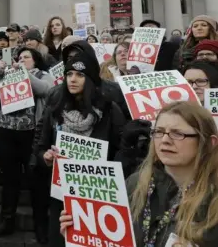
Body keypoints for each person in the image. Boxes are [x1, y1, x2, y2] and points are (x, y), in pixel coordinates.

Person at [60, 101, 218, 247]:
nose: (165, 140)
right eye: (159, 132)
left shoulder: (213, 198)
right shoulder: (136, 183)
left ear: (210, 143)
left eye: (177, 134)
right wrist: (83, 233)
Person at [38, 48, 126, 247]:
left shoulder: (110, 110)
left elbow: (122, 151)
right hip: (61, 197)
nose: (73, 79)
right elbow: (40, 146)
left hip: (98, 198)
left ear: (92, 79)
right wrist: (46, 157)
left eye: (79, 74)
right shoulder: (55, 108)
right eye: (69, 74)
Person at [0, 47, 54, 240]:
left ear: (35, 60)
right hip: (7, 133)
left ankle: (40, 225)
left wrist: (24, 73)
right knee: (9, 180)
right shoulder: (8, 73)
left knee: (37, 182)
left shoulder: (43, 75)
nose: (22, 60)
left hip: (33, 136)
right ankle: (7, 221)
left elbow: (46, 90)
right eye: (20, 57)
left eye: (27, 57)